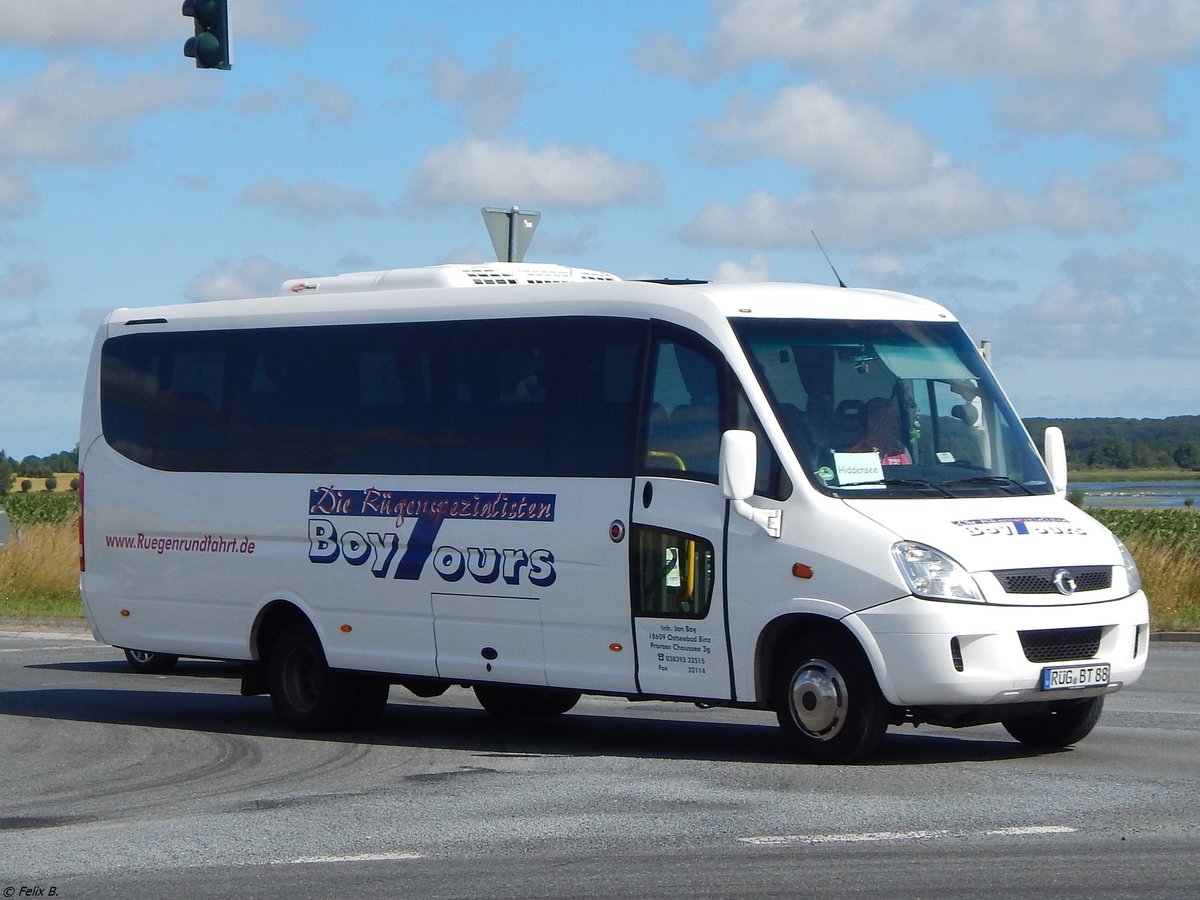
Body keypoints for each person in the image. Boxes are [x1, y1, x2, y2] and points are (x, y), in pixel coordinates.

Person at [851, 397, 911, 465]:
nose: (893, 425)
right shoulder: (856, 454)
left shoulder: (899, 454)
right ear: (871, 422)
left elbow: (910, 474)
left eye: (893, 419)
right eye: (886, 419)